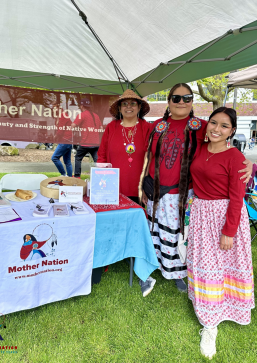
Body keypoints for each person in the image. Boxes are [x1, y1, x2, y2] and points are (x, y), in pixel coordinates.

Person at [140, 83, 252, 294]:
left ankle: (180, 274)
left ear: (192, 101)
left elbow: (220, 150)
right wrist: (144, 187)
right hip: (155, 192)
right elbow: (149, 156)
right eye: (176, 98)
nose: (181, 102)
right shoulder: (156, 126)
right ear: (169, 101)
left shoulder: (202, 126)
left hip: (182, 195)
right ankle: (160, 266)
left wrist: (249, 164)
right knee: (157, 232)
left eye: (186, 97)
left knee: (179, 235)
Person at [187, 107, 254, 359]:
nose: (216, 129)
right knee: (207, 266)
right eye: (213, 123)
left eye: (224, 126)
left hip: (224, 214)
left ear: (233, 131)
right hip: (201, 214)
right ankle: (208, 313)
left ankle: (212, 324)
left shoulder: (235, 156)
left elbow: (238, 197)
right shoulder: (201, 148)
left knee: (222, 266)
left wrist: (229, 231)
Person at [97, 89, 154, 295]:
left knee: (138, 228)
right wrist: (100, 183)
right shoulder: (111, 128)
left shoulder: (148, 128)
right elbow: (102, 155)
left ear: (139, 107)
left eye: (133, 103)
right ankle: (106, 259)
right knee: (110, 222)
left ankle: (141, 269)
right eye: (124, 104)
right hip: (112, 187)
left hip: (139, 188)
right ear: (119, 109)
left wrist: (149, 185)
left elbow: (154, 157)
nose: (128, 107)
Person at [72, 98, 103, 178]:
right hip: (95, 143)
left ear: (82, 106)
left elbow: (73, 126)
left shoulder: (82, 115)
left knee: (78, 158)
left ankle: (77, 176)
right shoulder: (96, 116)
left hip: (85, 142)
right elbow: (101, 128)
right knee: (97, 160)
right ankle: (101, 176)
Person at [51, 102, 73, 177]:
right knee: (68, 162)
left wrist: (55, 136)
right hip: (68, 140)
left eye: (55, 108)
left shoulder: (63, 115)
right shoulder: (59, 116)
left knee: (54, 158)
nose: (53, 110)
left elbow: (60, 130)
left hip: (65, 140)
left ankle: (63, 174)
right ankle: (70, 179)